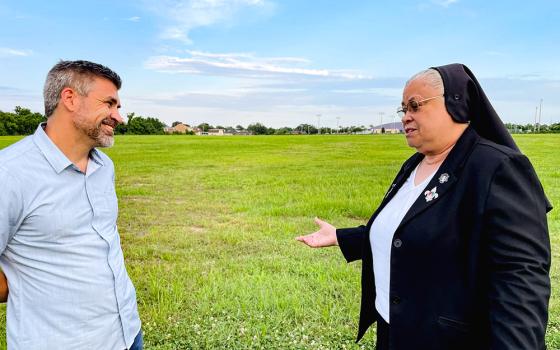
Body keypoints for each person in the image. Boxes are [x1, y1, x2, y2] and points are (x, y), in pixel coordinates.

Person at [296, 63, 552, 350]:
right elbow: (406, 229)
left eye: (415, 106)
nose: (406, 116)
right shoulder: (415, 164)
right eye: (403, 108)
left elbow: (520, 280)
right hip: (394, 332)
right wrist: (342, 237)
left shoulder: (497, 168)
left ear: (456, 105)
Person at [0, 60, 142, 349]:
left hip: (126, 333)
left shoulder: (105, 166)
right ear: (70, 98)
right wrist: (26, 281)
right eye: (110, 104)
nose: (120, 117)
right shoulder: (10, 173)